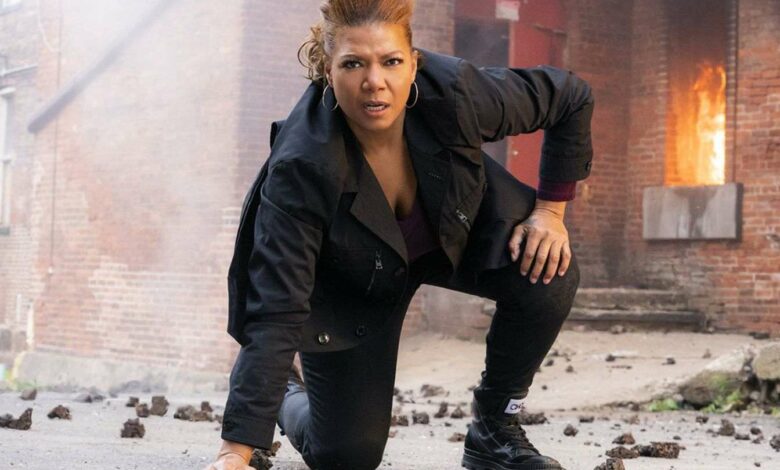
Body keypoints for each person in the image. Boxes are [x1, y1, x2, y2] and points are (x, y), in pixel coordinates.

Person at [205, 1, 593, 469]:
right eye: (353, 64)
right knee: (346, 456)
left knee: (549, 269)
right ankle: (287, 388)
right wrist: (235, 452)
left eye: (390, 61)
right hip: (354, 282)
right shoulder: (303, 168)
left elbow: (570, 96)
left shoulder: (457, 93)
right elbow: (276, 309)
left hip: (456, 233)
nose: (375, 81)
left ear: (414, 64)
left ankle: (494, 430)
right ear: (328, 72)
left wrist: (550, 211)